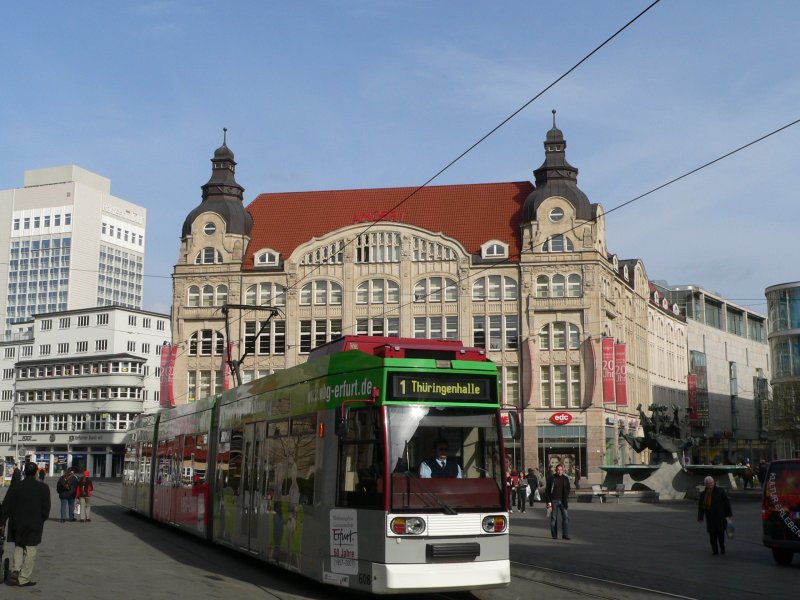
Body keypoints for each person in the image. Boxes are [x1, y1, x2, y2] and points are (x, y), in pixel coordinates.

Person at [2, 462, 50, 587]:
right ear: (35, 473)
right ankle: (24, 578)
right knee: (30, 550)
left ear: (24, 472)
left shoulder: (15, 486)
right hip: (34, 524)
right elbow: (46, 508)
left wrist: (2, 522)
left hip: (17, 523)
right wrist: (41, 520)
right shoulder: (43, 488)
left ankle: (16, 570)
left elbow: (6, 506)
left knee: (18, 546)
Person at [697, 476, 732, 555]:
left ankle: (722, 547)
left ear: (714, 483)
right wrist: (700, 517)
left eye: (711, 483)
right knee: (712, 535)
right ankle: (715, 550)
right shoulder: (703, 494)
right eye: (708, 483)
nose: (710, 484)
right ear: (705, 484)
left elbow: (726, 503)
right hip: (710, 517)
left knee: (721, 534)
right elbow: (701, 507)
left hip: (720, 516)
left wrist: (729, 514)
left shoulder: (720, 491)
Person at [545, 464, 571, 540]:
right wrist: (549, 502)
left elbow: (568, 488)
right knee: (553, 518)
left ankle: (565, 535)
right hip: (554, 501)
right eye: (558, 470)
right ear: (556, 470)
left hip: (563, 501)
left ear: (563, 470)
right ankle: (554, 535)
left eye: (561, 470)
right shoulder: (552, 478)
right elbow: (547, 491)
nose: (560, 471)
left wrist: (566, 496)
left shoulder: (565, 478)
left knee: (565, 517)